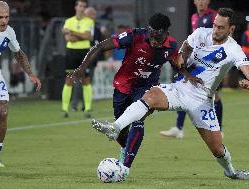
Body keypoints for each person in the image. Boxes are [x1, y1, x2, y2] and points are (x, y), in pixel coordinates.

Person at [92, 8, 249, 180]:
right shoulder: (201, 33)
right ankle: (115, 128)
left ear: (231, 29)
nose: (215, 30)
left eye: (221, 27)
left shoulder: (233, 50)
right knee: (151, 95)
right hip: (180, 88)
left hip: (202, 100)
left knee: (217, 148)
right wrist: (182, 57)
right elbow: (186, 47)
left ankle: (231, 171)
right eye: (215, 25)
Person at [68, 13, 191, 180]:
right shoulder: (134, 35)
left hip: (146, 89)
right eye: (151, 34)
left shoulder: (171, 46)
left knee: (138, 120)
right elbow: (100, 46)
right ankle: (126, 152)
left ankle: (125, 168)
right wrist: (81, 68)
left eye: (158, 37)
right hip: (123, 86)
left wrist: (188, 77)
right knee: (120, 129)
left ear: (166, 33)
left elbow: (177, 64)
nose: (154, 39)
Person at [0, 1, 41, 167]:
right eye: (0, 17)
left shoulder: (9, 32)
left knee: (2, 112)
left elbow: (18, 54)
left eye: (7, 17)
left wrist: (30, 73)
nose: (4, 21)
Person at [160, 0, 224, 139]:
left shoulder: (214, 16)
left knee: (214, 96)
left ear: (208, 1)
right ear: (195, 2)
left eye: (204, 0)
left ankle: (218, 129)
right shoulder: (194, 17)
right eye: (198, 0)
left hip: (211, 60)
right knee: (183, 86)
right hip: (196, 60)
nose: (201, 2)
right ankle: (178, 128)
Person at [61, 0, 94, 118]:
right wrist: (80, 35)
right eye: (80, 6)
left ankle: (87, 109)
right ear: (76, 7)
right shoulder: (68, 21)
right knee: (69, 79)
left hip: (84, 53)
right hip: (71, 52)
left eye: (84, 6)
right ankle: (65, 109)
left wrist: (73, 32)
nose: (82, 8)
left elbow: (87, 36)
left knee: (86, 80)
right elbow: (69, 38)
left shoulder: (89, 21)